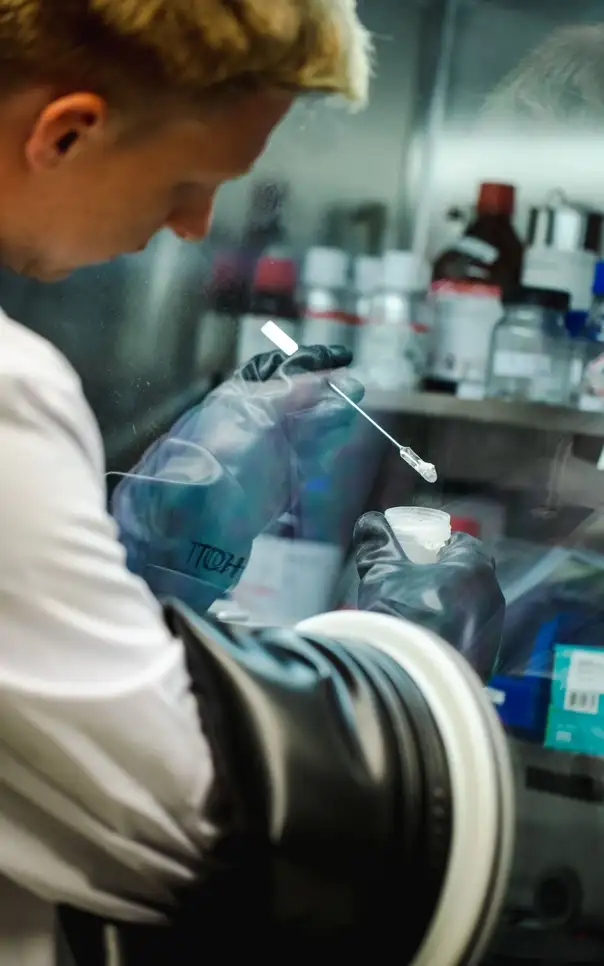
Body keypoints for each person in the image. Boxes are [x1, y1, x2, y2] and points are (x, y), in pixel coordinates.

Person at [0, 2, 505, 963]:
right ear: (65, 131)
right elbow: (190, 831)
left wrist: (152, 569)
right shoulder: (9, 393)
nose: (193, 228)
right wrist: (403, 658)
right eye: (192, 184)